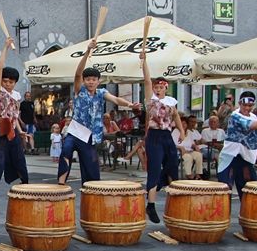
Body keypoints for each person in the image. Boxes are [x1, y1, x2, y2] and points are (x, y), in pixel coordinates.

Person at [58, 40, 139, 185]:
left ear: (98, 81)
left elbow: (115, 99)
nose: (90, 82)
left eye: (93, 80)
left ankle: (92, 190)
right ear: (84, 81)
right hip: (75, 131)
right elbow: (77, 74)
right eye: (88, 79)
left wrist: (129, 104)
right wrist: (87, 52)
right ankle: (61, 183)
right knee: (66, 150)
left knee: (91, 168)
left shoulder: (101, 93)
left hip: (90, 135)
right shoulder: (79, 90)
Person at [140, 52, 184, 223]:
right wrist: (144, 62)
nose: (158, 90)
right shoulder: (150, 99)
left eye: (161, 87)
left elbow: (177, 116)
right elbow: (147, 80)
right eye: (156, 87)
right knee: (154, 168)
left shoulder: (172, 101)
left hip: (167, 135)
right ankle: (151, 205)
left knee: (173, 164)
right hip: (154, 136)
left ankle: (171, 197)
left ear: (166, 87)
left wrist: (182, 131)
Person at [0, 37, 29, 196]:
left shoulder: (17, 95)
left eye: (11, 82)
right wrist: (5, 47)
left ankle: (25, 194)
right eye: (5, 81)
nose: (7, 84)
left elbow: (14, 116)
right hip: (0, 132)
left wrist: (20, 130)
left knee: (20, 163)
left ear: (15, 83)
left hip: (13, 133)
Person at [174, 114, 203, 179]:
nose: (183, 125)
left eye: (185, 123)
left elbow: (192, 143)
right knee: (188, 157)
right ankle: (188, 174)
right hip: (181, 152)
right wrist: (180, 147)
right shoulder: (175, 132)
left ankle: (198, 174)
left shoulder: (189, 132)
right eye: (182, 123)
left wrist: (195, 146)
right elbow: (172, 144)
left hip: (189, 150)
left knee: (198, 155)